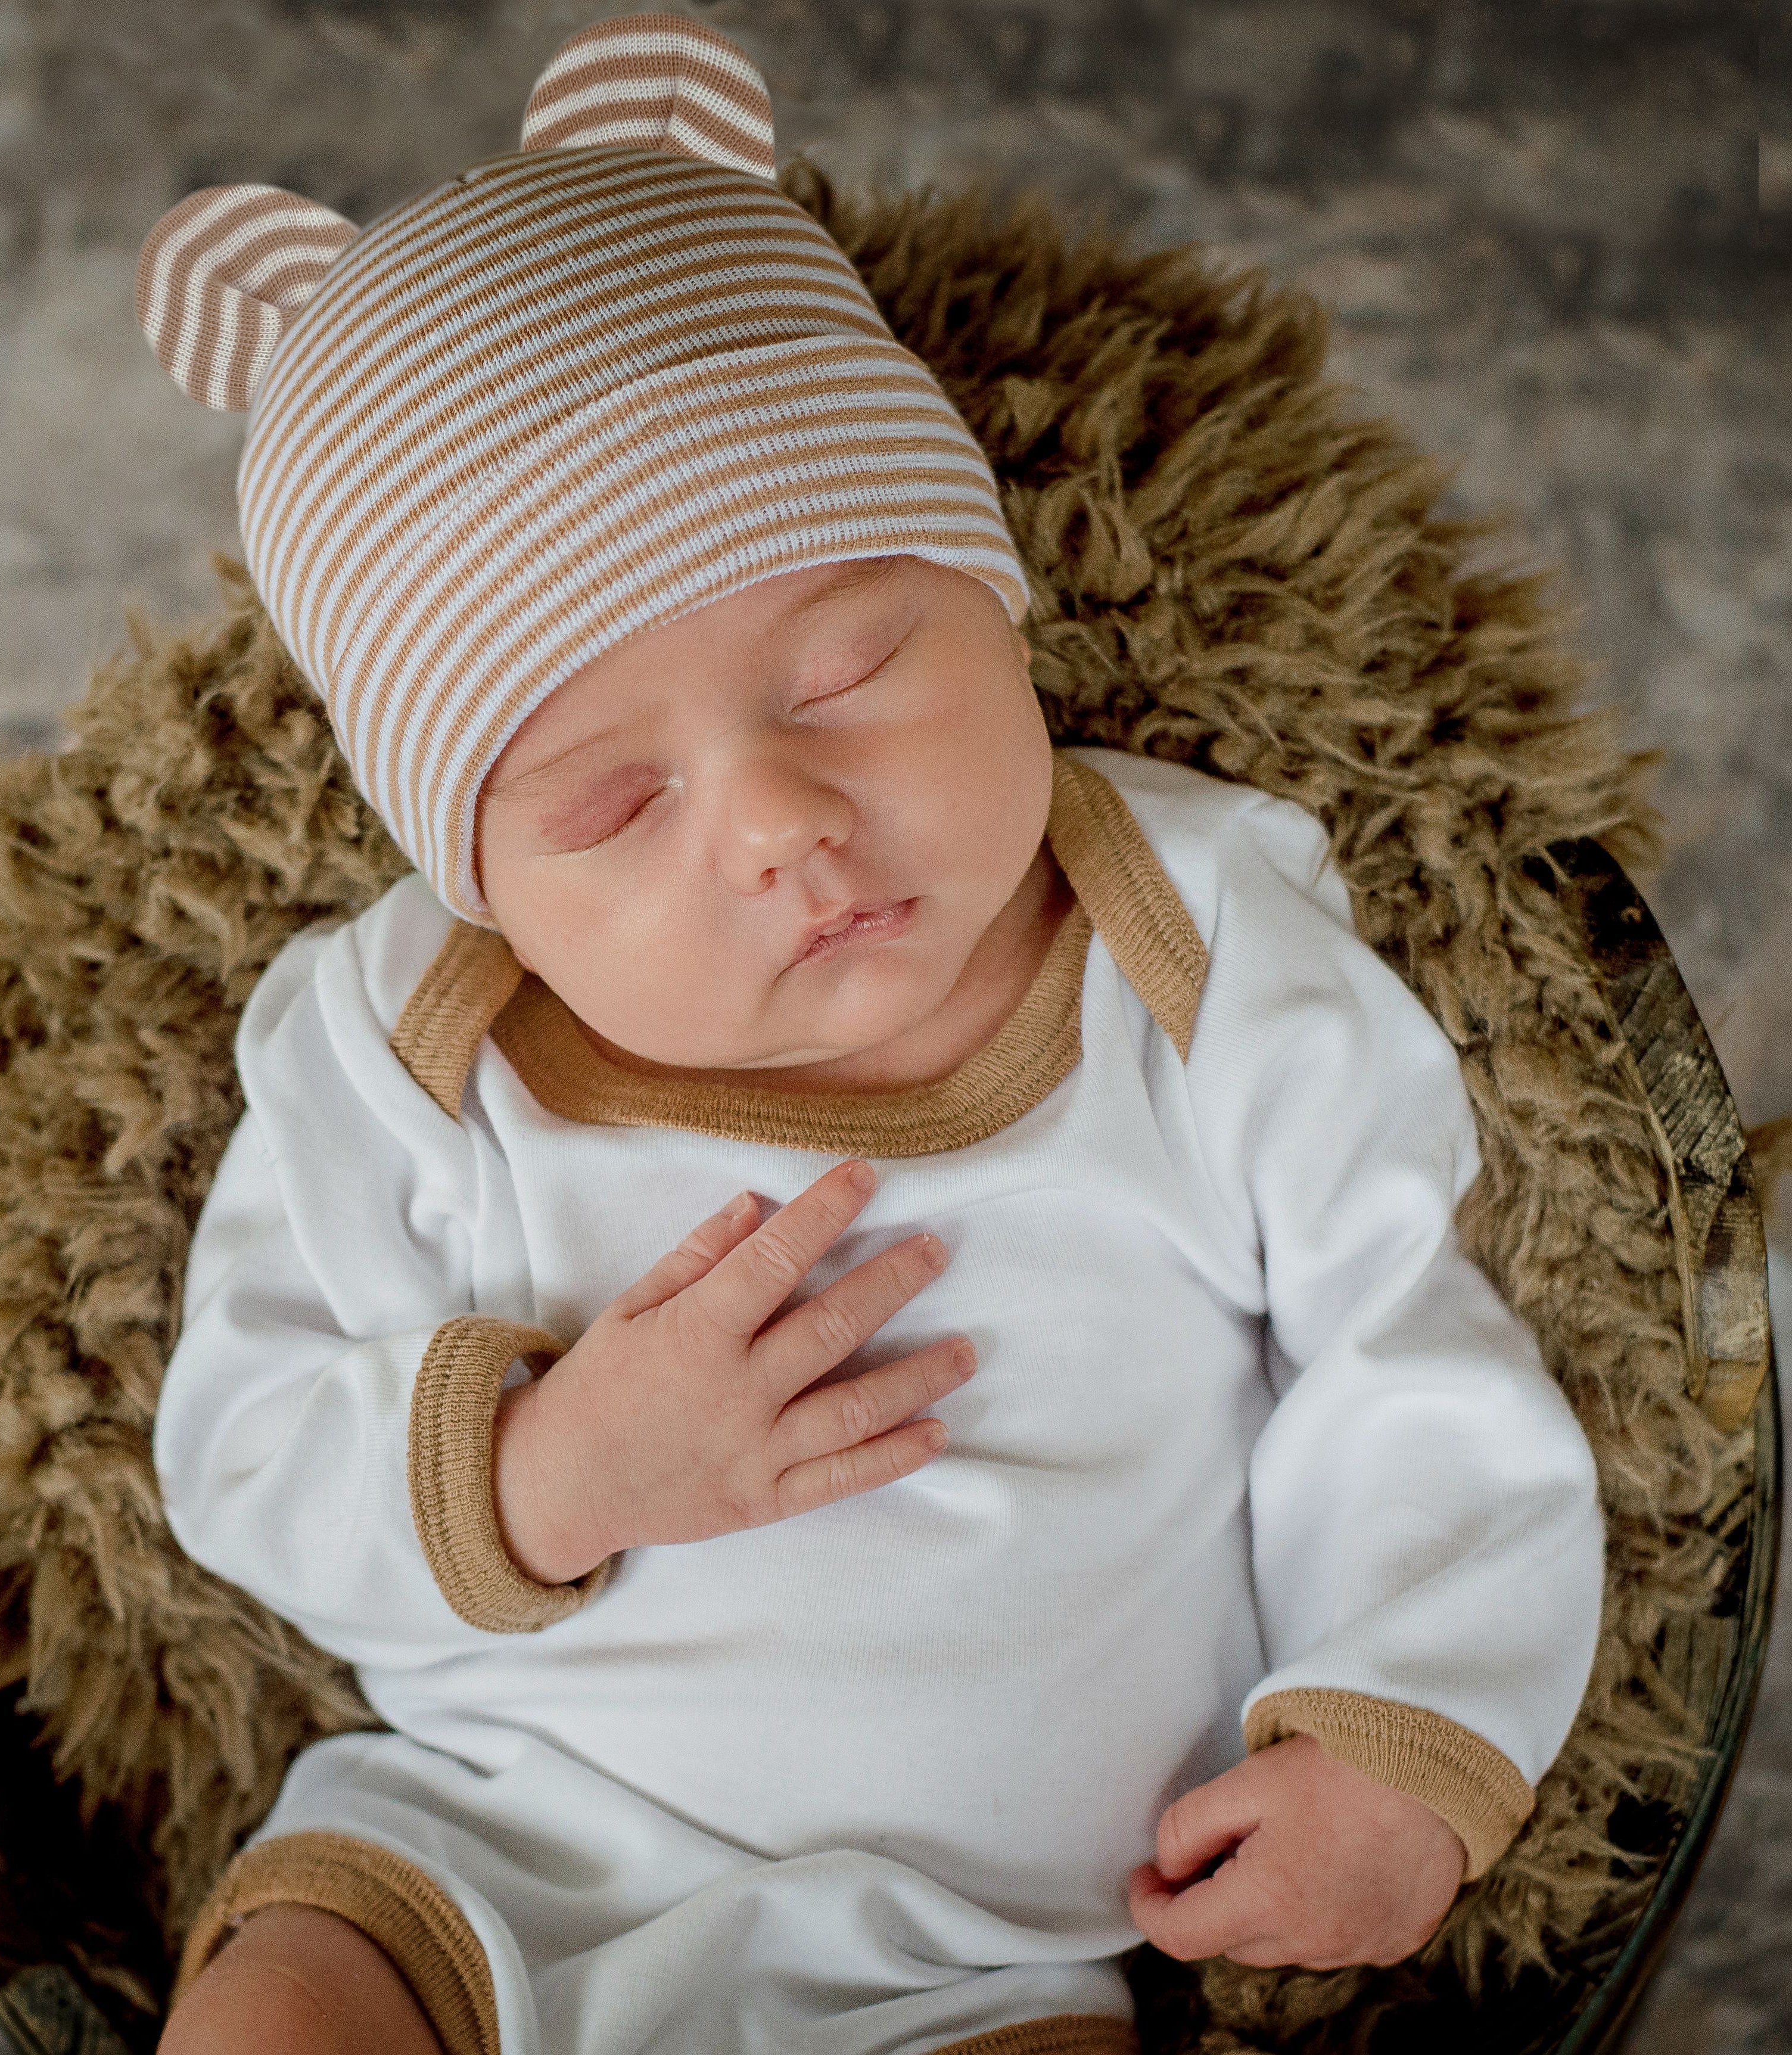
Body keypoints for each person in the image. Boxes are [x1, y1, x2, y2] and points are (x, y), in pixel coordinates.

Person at [136, 16, 1604, 2054]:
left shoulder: (1184, 940)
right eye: (610, 806)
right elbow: (242, 1440)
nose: (777, 820)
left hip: (978, 1953)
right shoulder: (404, 1035)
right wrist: (550, 1468)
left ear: (993, 600)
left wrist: (1406, 1736)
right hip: (488, 1864)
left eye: (849, 665)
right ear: (481, 876)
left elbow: (1403, 1344)